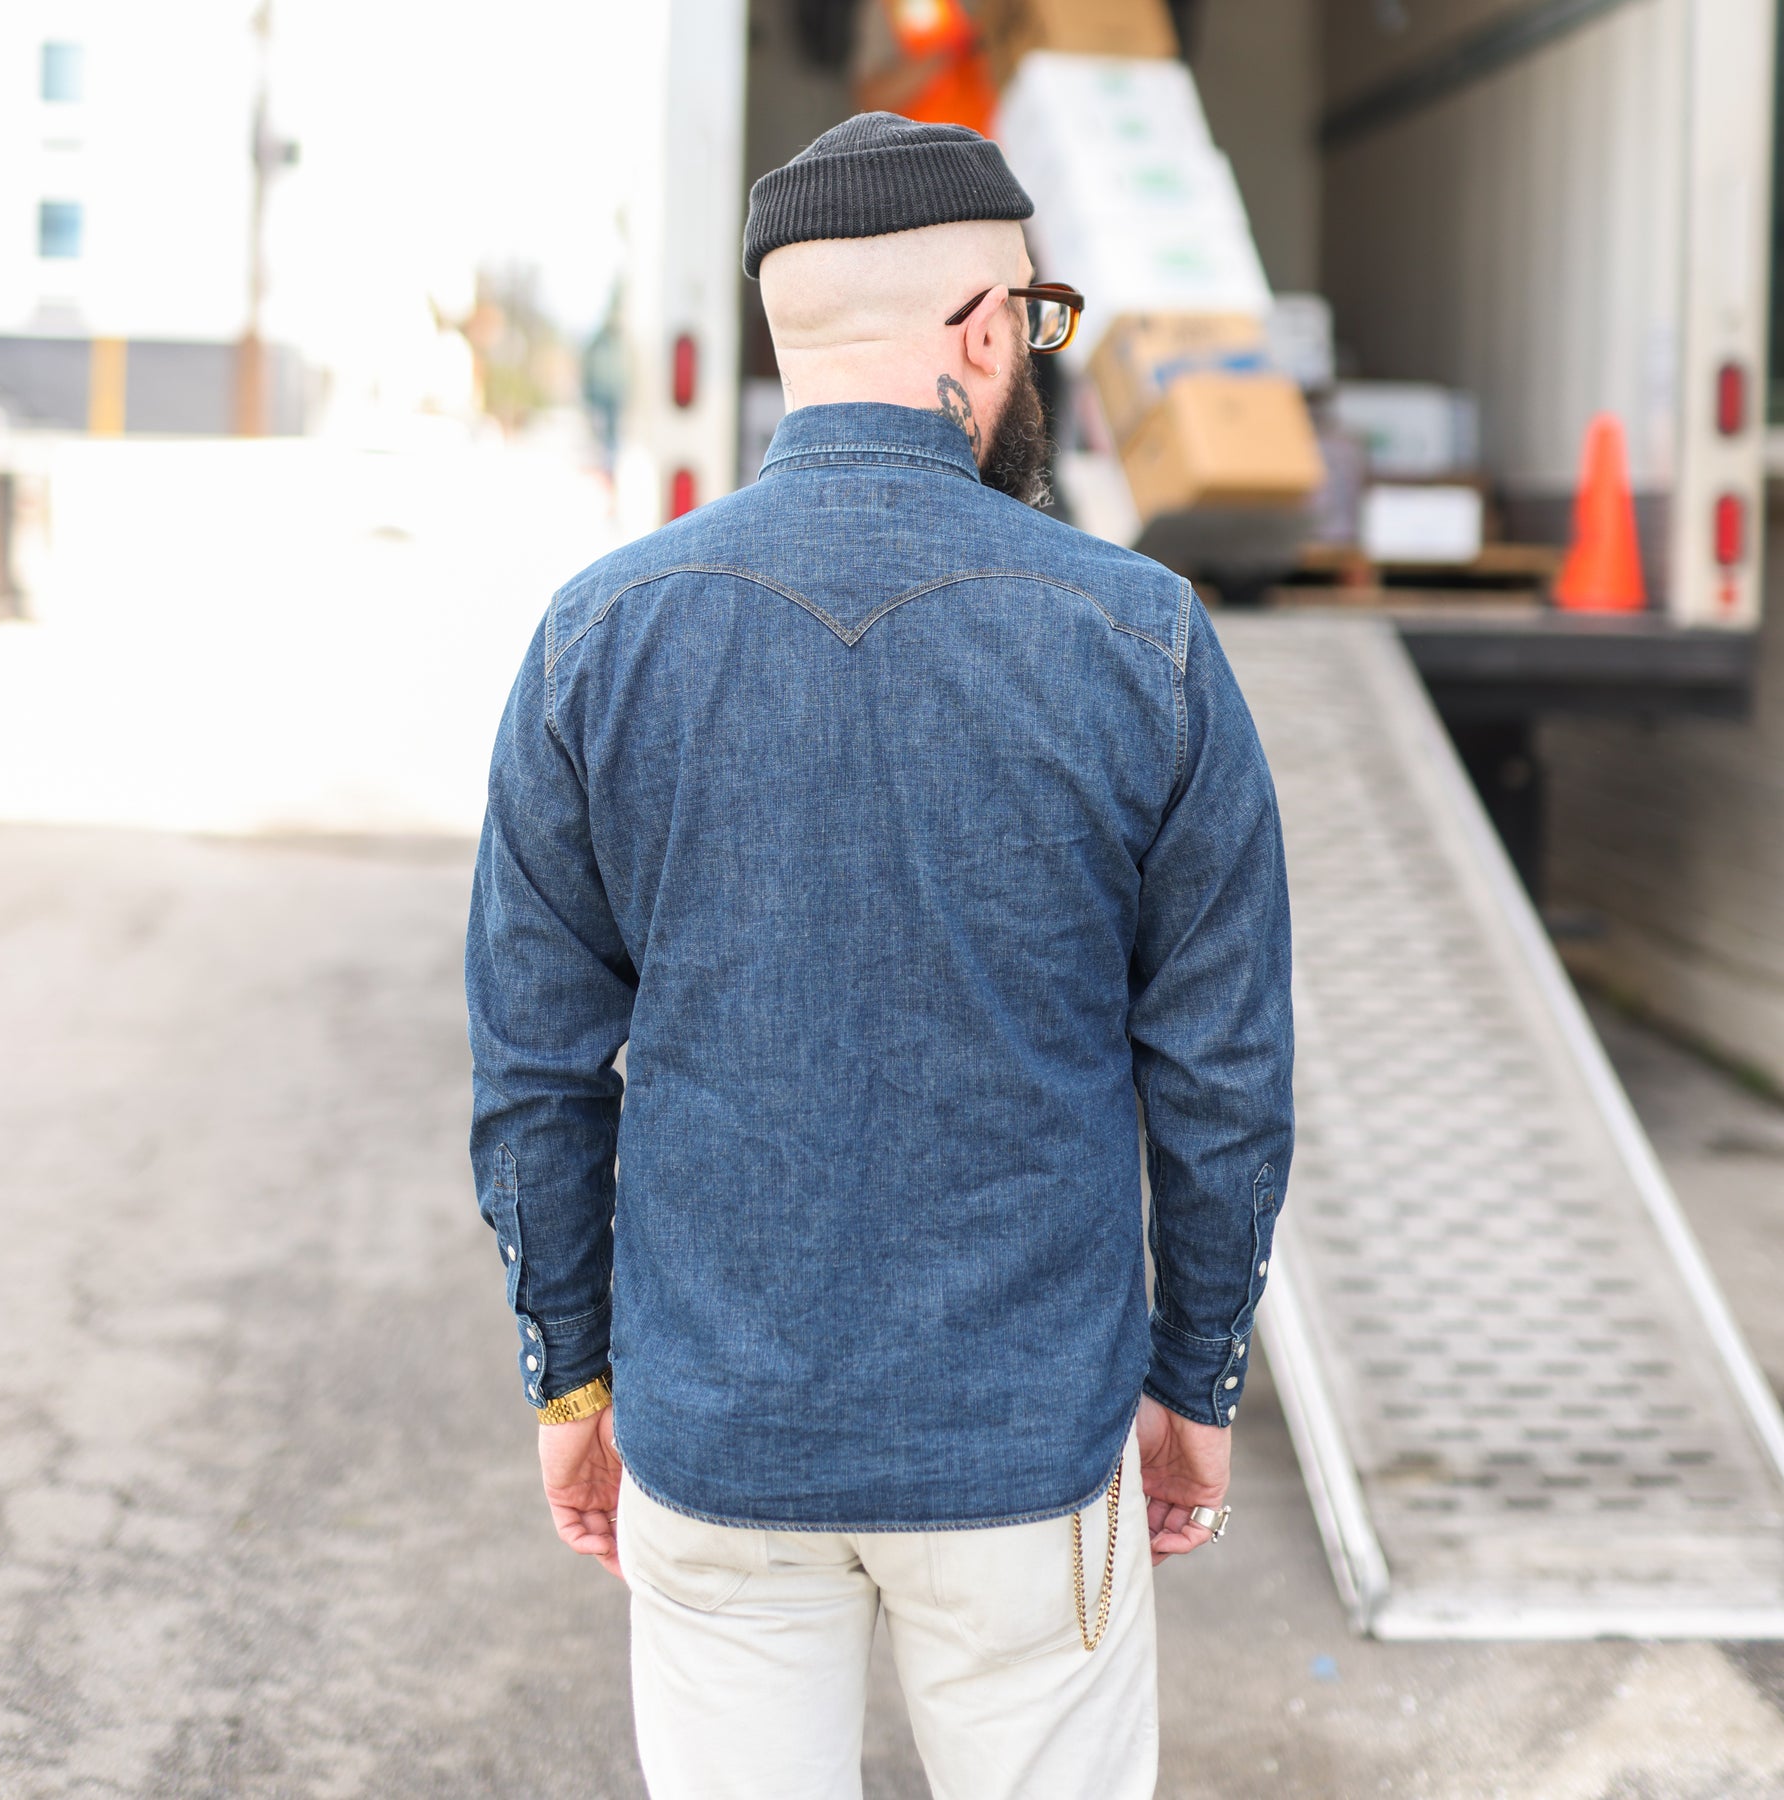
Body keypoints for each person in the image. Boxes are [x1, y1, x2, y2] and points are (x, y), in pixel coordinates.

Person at [466, 113, 1293, 1800]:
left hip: (718, 1445)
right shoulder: (1142, 640)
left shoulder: (597, 640)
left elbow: (538, 1073)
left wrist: (573, 1384)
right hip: (1028, 1448)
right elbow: (1219, 1075)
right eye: (1037, 329)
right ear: (987, 331)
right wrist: (1193, 1376)